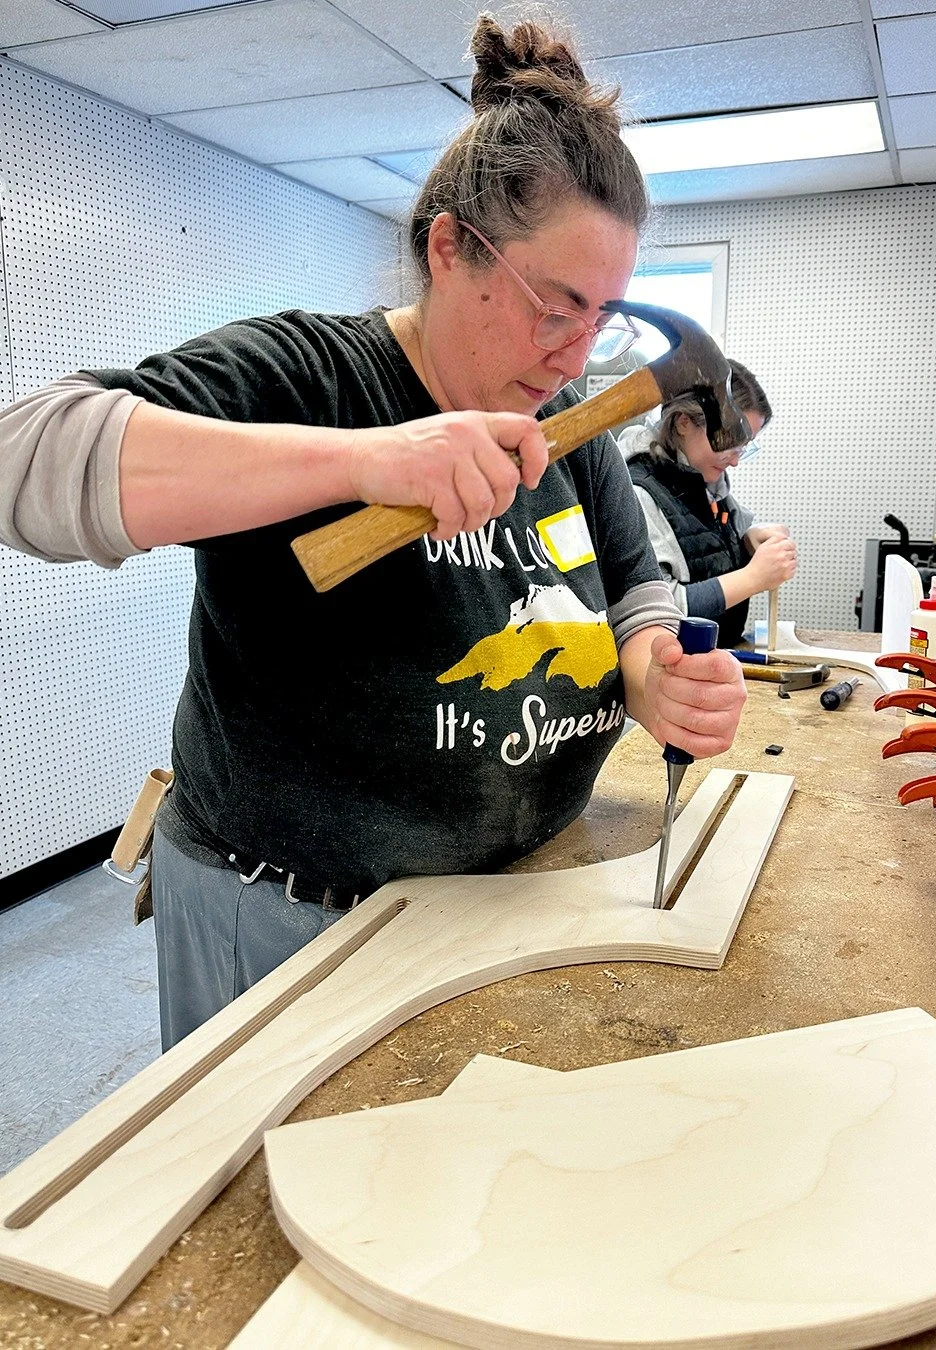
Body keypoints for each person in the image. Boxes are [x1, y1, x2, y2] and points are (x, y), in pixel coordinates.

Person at [0, 14, 746, 1050]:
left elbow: (634, 580)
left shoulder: (562, 424)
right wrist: (363, 462)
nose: (575, 355)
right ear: (450, 248)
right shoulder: (311, 376)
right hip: (289, 913)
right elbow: (23, 460)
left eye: (603, 319)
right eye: (553, 306)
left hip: (505, 901)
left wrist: (653, 666)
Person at [617, 363, 797, 647]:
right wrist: (754, 577)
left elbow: (705, 552)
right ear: (684, 422)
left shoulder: (708, 482)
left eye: (743, 448)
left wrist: (747, 542)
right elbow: (659, 609)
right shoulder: (639, 492)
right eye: (730, 443)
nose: (735, 461)